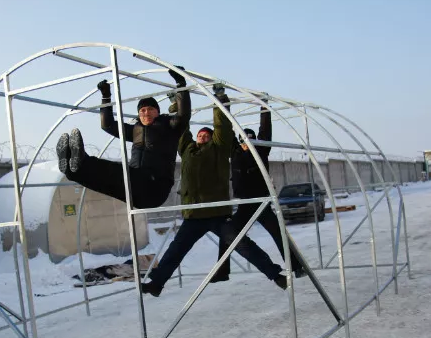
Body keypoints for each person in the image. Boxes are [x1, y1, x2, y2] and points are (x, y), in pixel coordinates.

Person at [141, 87, 287, 297]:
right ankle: (156, 284)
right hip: (193, 216)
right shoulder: (187, 150)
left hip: (217, 214)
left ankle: (275, 275)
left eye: (206, 134)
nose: (201, 136)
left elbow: (222, 126)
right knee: (175, 251)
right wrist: (176, 104)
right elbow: (181, 129)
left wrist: (220, 99)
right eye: (199, 134)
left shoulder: (218, 149)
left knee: (242, 244)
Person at [55, 68, 191, 209]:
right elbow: (107, 125)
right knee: (103, 182)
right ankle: (72, 171)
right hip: (136, 191)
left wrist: (180, 83)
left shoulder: (170, 126)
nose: (146, 113)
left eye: (150, 109)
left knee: (115, 172)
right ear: (138, 114)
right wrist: (106, 96)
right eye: (142, 110)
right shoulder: (135, 130)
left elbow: (183, 115)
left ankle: (82, 160)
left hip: (155, 188)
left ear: (158, 111)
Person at [211, 99, 307, 282]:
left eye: (250, 140)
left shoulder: (261, 151)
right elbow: (227, 130)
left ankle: (296, 267)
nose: (247, 143)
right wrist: (223, 106)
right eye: (244, 140)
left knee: (279, 235)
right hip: (244, 205)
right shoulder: (235, 152)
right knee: (228, 233)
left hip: (261, 203)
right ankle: (222, 270)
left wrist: (264, 108)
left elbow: (265, 131)